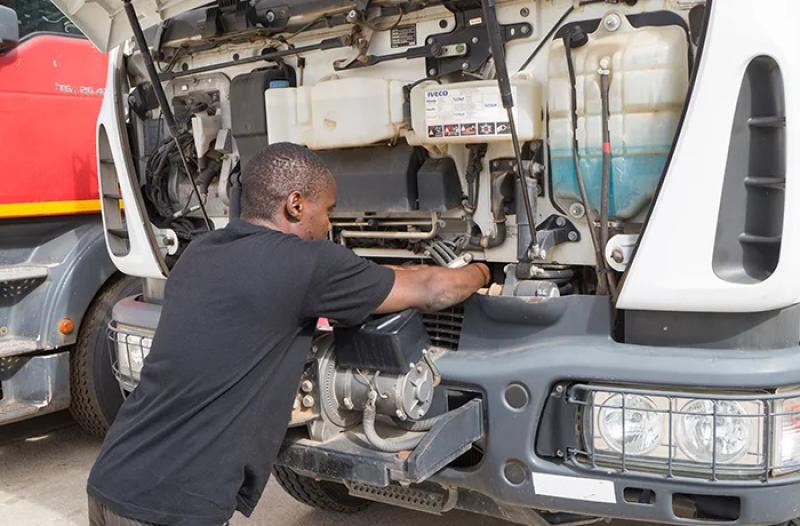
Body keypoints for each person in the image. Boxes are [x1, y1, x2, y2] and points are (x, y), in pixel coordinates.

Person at [87, 142, 490, 526]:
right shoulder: (306, 264)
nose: (329, 224)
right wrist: (482, 270)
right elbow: (433, 289)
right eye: (327, 209)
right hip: (171, 509)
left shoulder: (201, 252)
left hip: (113, 477)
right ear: (295, 204)